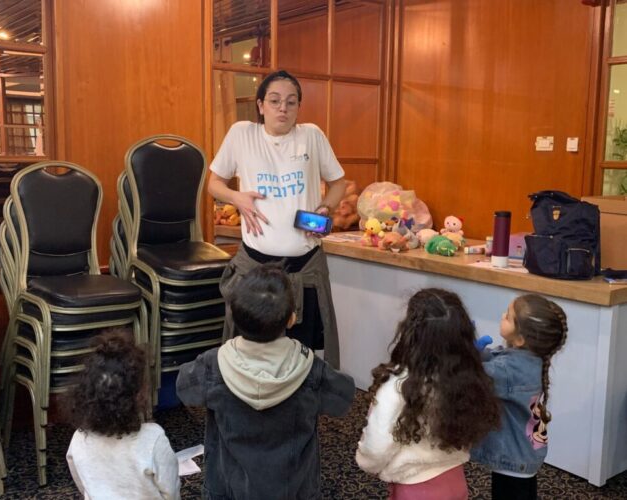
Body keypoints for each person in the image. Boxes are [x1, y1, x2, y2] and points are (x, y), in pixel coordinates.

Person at [176, 263, 355, 500]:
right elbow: (344, 398)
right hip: (294, 490)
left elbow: (183, 388)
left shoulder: (213, 364)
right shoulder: (310, 368)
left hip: (228, 488)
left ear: (234, 315)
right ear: (292, 319)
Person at [208, 69, 346, 368]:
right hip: (255, 267)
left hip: (305, 266)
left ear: (298, 107)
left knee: (300, 355)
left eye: (291, 102)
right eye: (274, 101)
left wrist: (325, 208)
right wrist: (237, 197)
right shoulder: (242, 134)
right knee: (250, 353)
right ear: (261, 105)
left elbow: (338, 184)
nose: (282, 108)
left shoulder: (311, 136)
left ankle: (300, 412)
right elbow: (213, 183)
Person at [356, 288, 501, 500]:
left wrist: (367, 462)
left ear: (411, 332)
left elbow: (376, 445)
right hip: (455, 480)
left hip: (415, 489)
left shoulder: (399, 385)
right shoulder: (467, 377)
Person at [471, 294, 567, 500]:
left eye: (508, 316)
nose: (502, 315)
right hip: (525, 455)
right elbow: (496, 361)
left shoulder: (508, 370)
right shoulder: (531, 359)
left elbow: (474, 377)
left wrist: (464, 352)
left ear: (521, 338)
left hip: (512, 460)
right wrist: (478, 353)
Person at [66, 330, 180, 500]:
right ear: (140, 394)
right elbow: (170, 491)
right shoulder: (153, 439)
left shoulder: (78, 439)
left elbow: (83, 484)